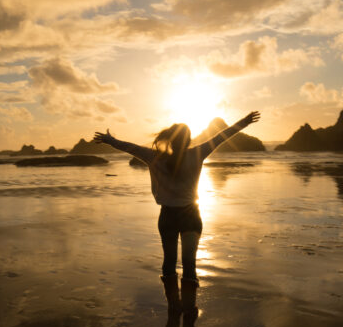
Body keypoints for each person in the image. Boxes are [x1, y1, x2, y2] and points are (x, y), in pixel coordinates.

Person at [94, 111, 260, 312]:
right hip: (191, 216)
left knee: (169, 262)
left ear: (170, 140)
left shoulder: (154, 157)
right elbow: (222, 137)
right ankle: (189, 308)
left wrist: (109, 139)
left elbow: (129, 147)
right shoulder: (197, 153)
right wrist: (245, 121)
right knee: (189, 264)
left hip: (168, 217)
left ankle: (173, 306)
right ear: (188, 140)